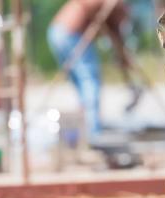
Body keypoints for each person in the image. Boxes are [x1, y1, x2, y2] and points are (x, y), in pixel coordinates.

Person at [47, 0, 129, 143]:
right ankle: (93, 132)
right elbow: (86, 5)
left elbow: (116, 37)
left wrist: (122, 59)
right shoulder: (115, 5)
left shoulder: (112, 10)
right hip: (70, 32)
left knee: (81, 84)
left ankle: (85, 127)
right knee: (90, 79)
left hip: (56, 32)